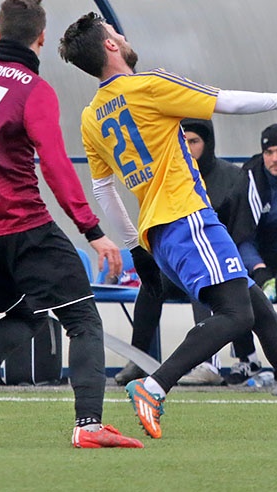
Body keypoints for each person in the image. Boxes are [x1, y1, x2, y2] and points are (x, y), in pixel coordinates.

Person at [59, 12, 277, 439]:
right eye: (116, 33)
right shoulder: (147, 85)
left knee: (261, 317)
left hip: (161, 233)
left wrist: (137, 248)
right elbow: (226, 102)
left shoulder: (92, 115)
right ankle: (154, 385)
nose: (123, 36)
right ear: (111, 46)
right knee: (237, 314)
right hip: (188, 220)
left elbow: (103, 191)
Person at [0, 0, 143, 449]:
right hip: (20, 221)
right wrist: (93, 233)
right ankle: (89, 425)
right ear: (40, 38)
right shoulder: (34, 90)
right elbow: (54, 165)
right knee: (83, 318)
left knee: (30, 309)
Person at [113, 118, 248, 387]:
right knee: (150, 285)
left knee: (205, 283)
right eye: (182, 141)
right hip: (177, 262)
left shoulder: (232, 177)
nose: (188, 147)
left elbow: (242, 228)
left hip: (217, 262)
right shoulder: (169, 175)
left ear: (207, 144)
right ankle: (139, 358)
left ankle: (208, 364)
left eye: (194, 141)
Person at [233, 123, 277, 391]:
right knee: (230, 284)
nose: (274, 158)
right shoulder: (251, 177)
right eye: (269, 152)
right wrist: (259, 269)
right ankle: (247, 359)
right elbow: (241, 234)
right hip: (260, 257)